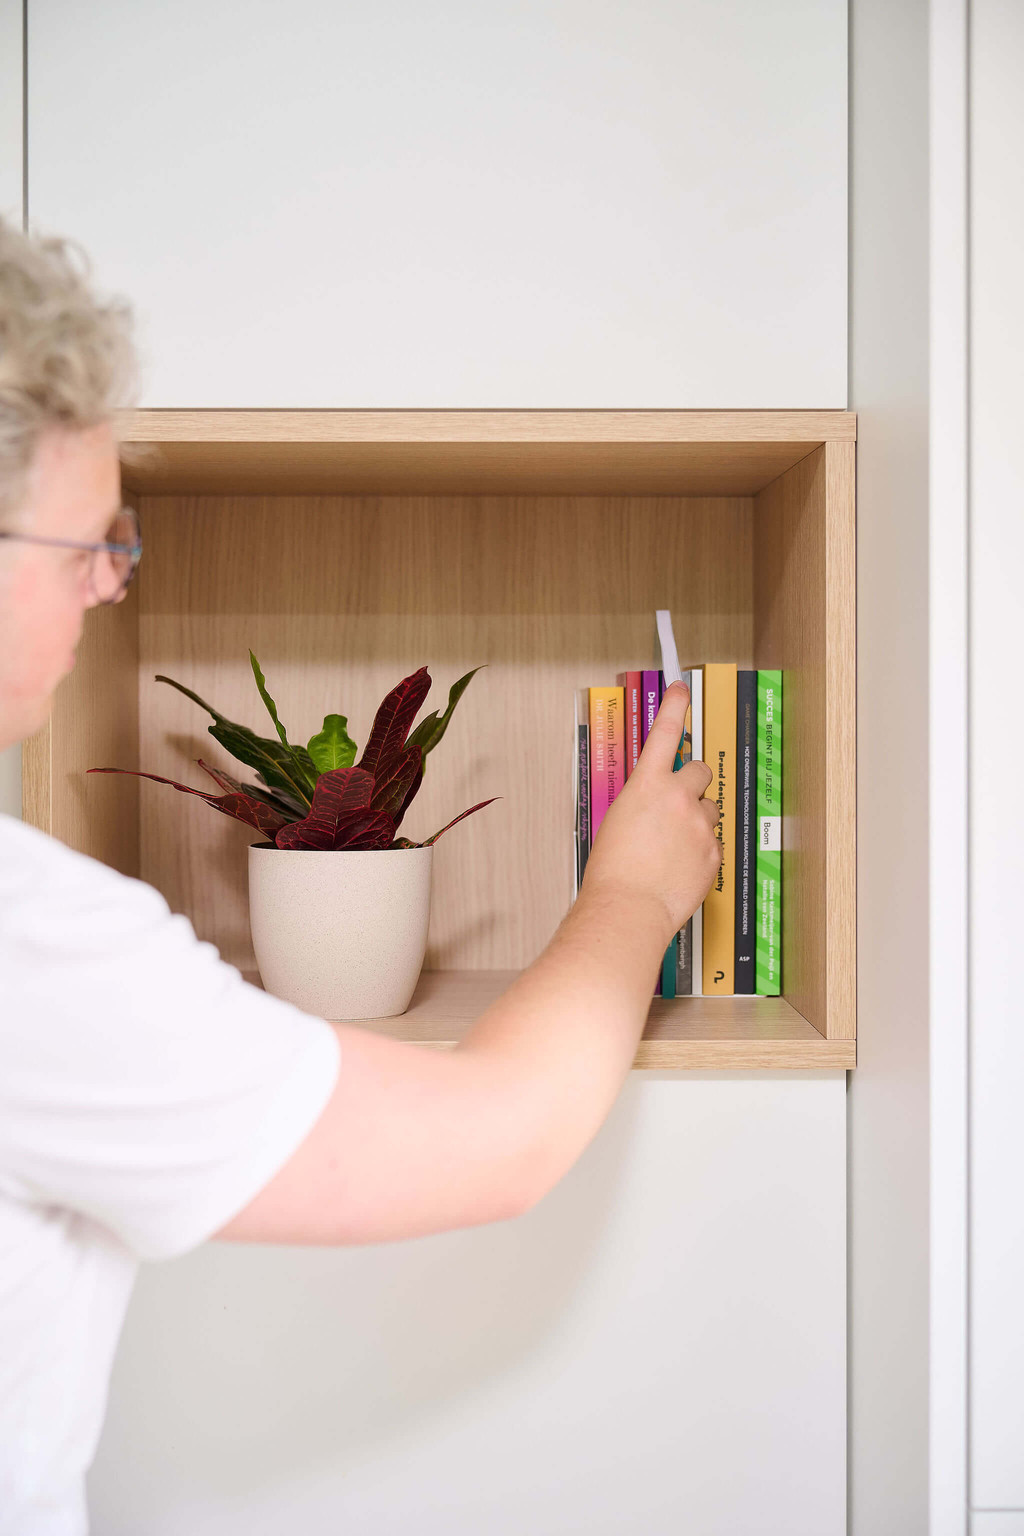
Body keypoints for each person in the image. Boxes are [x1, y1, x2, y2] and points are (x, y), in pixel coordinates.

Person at [0, 220, 721, 1536]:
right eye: (85, 544)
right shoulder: (30, 949)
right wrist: (632, 890)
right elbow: (500, 1138)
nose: (109, 588)